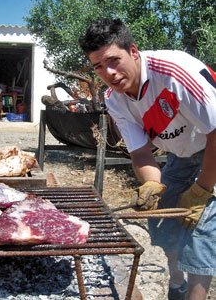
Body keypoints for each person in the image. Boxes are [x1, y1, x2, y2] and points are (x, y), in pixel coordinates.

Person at [78, 18, 216, 300]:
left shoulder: (175, 74)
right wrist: (153, 184)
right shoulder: (115, 99)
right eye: (99, 67)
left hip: (212, 147)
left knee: (201, 228)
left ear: (134, 51)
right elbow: (141, 152)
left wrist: (202, 189)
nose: (110, 73)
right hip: (181, 153)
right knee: (164, 223)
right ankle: (175, 285)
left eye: (114, 60)